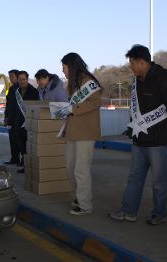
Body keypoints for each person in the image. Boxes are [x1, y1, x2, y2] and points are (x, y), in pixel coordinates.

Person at [109, 45, 167, 225]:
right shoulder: (136, 81)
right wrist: (132, 129)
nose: (131, 67)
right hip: (139, 139)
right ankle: (129, 211)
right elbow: (135, 111)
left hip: (158, 141)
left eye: (132, 64)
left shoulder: (163, 78)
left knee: (159, 181)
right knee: (134, 178)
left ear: (142, 62)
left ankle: (159, 213)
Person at [60, 53, 102, 215]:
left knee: (81, 169)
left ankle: (85, 205)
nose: (62, 71)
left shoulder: (89, 82)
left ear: (71, 66)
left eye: (64, 67)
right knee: (70, 167)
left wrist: (73, 109)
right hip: (73, 131)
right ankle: (78, 196)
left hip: (86, 132)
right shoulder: (72, 83)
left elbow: (95, 103)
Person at [14, 70, 39, 173]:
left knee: (28, 145)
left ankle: (29, 167)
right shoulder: (16, 91)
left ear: (27, 79)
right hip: (18, 122)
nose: (22, 81)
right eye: (20, 79)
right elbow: (13, 106)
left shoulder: (34, 91)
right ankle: (25, 165)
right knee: (21, 145)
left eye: (23, 79)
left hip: (29, 122)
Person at [4, 69, 20, 165]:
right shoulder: (11, 88)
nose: (10, 79)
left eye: (12, 77)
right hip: (11, 117)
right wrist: (6, 117)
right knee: (12, 139)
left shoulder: (21, 88)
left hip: (18, 118)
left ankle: (22, 160)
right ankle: (14, 158)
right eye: (9, 77)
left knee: (19, 139)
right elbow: (8, 104)